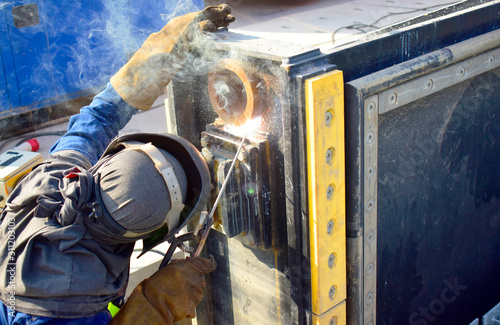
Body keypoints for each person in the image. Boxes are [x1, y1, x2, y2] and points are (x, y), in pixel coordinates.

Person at [0, 4, 235, 325]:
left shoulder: (60, 174)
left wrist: (166, 51)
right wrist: (155, 305)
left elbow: (102, 114)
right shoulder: (72, 309)